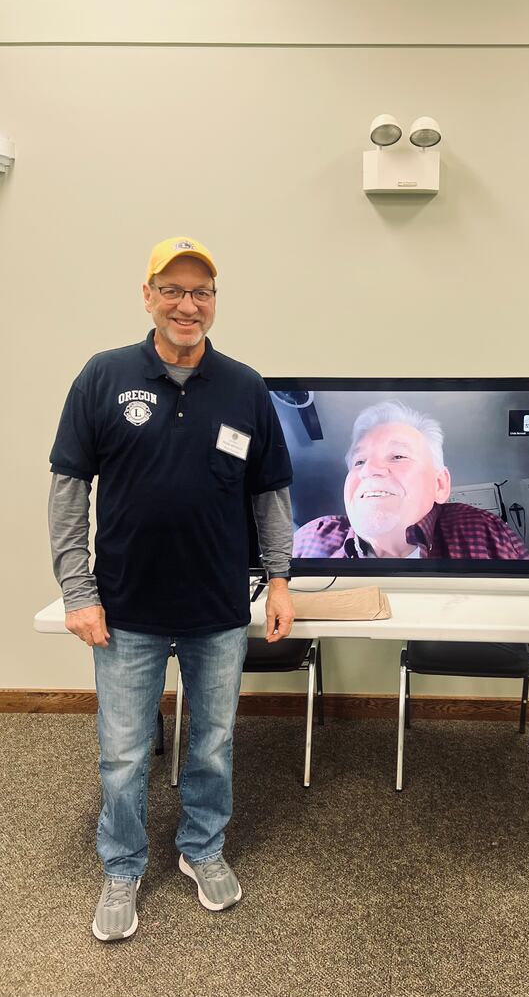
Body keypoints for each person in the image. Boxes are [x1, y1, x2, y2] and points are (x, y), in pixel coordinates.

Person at [48, 236, 295, 942]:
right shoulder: (103, 376)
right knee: (124, 751)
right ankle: (122, 866)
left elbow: (272, 492)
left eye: (202, 292)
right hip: (127, 608)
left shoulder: (244, 387)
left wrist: (280, 579)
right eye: (174, 290)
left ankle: (202, 848)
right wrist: (77, 590)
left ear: (215, 301)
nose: (188, 305)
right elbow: (68, 489)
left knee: (212, 743)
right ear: (148, 295)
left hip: (218, 607)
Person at [293, 400, 529, 560]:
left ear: (440, 485)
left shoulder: (484, 531)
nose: (369, 470)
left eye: (398, 456)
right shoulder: (312, 537)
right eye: (359, 461)